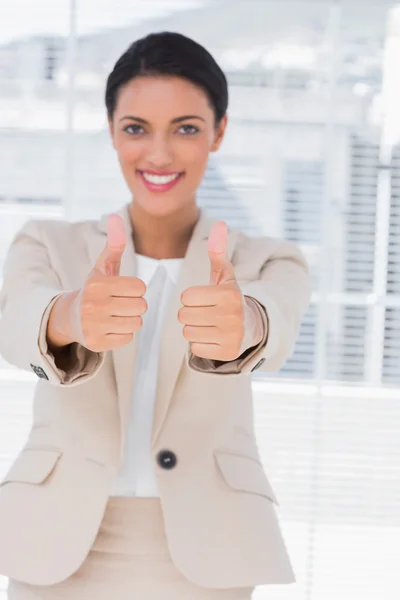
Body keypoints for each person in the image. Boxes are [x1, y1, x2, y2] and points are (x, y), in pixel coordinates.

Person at [0, 31, 311, 600]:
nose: (160, 154)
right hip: (57, 545)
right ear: (113, 131)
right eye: (136, 128)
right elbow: (16, 321)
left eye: (186, 128)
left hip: (207, 550)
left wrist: (243, 327)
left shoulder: (268, 260)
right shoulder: (46, 242)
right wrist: (68, 317)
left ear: (219, 131)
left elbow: (276, 325)